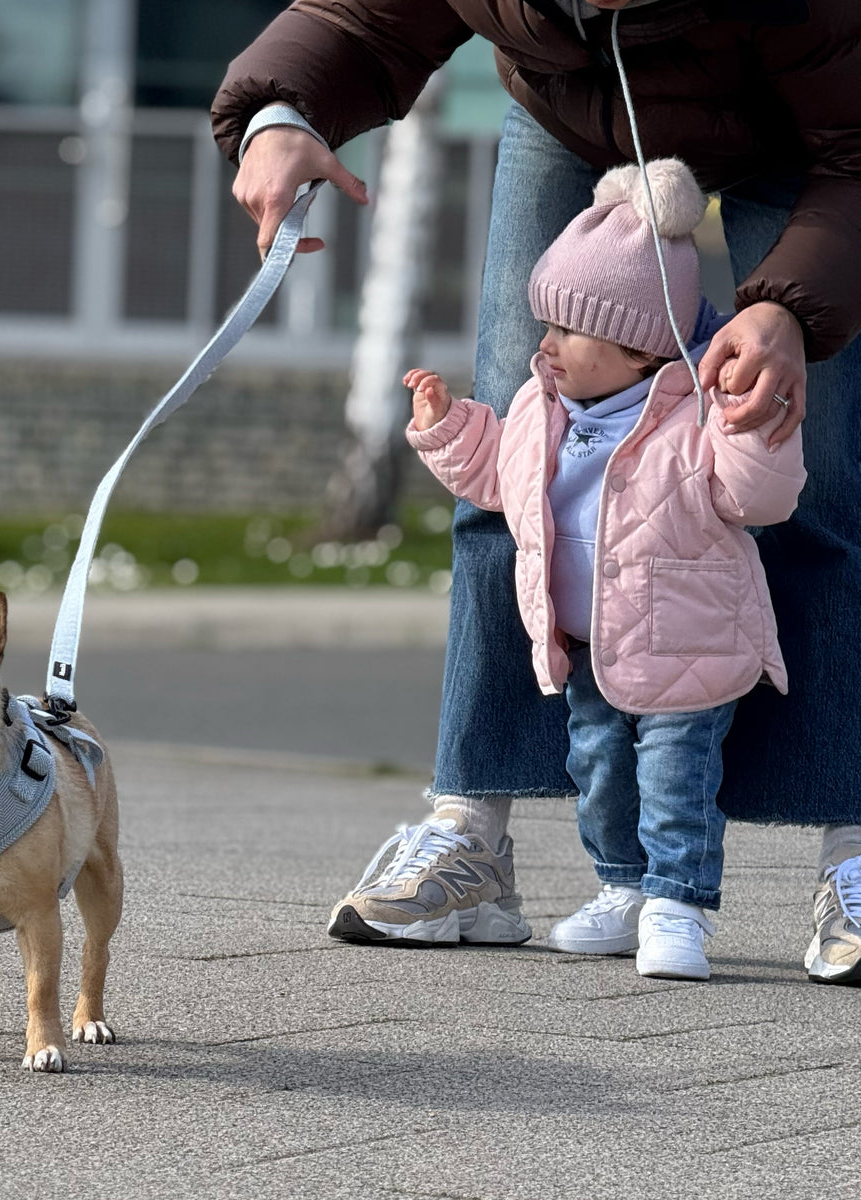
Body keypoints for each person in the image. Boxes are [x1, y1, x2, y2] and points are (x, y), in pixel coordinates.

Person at [212, 0, 861, 984]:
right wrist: (280, 114)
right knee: (519, 459)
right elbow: (358, 15)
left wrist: (785, 308)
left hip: (816, 140)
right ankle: (470, 832)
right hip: (570, 117)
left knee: (815, 468)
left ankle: (853, 849)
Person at [404, 158, 805, 980]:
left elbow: (760, 497)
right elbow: (495, 476)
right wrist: (448, 428)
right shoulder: (539, 409)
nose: (543, 348)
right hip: (590, 644)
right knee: (598, 769)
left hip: (691, 646)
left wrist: (752, 431)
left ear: (637, 346)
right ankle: (623, 889)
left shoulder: (696, 411)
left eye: (564, 331)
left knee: (675, 776)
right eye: (543, 327)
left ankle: (678, 903)